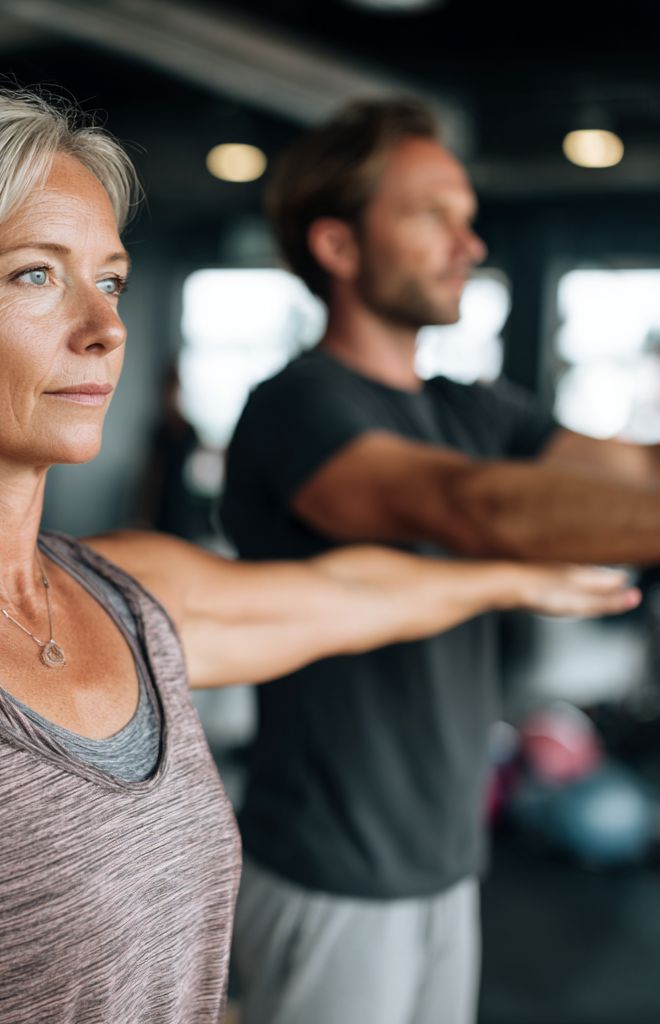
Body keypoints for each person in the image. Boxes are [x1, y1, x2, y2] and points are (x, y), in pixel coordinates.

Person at [0, 89, 636, 1024]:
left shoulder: (131, 596)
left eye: (108, 280)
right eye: (35, 274)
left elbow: (346, 592)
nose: (106, 327)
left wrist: (509, 579)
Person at [221, 98, 660, 1024]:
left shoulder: (475, 409)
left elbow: (635, 472)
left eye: (468, 217)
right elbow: (470, 506)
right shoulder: (297, 406)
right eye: (433, 216)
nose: (470, 243)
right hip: (332, 871)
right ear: (338, 245)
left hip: (448, 863)